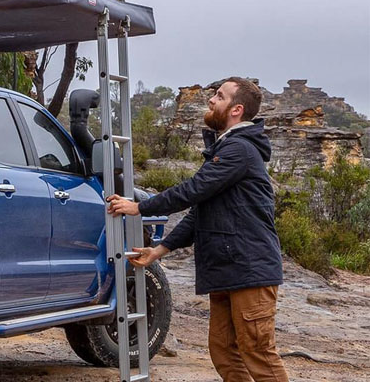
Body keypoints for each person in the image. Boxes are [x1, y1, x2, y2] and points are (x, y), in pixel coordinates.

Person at [106, 76, 289, 382]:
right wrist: (158, 251)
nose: (211, 100)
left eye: (220, 96)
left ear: (236, 109)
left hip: (249, 268)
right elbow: (200, 211)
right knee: (224, 351)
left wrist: (140, 207)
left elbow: (194, 189)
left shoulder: (239, 150)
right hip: (227, 269)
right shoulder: (226, 147)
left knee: (258, 351)